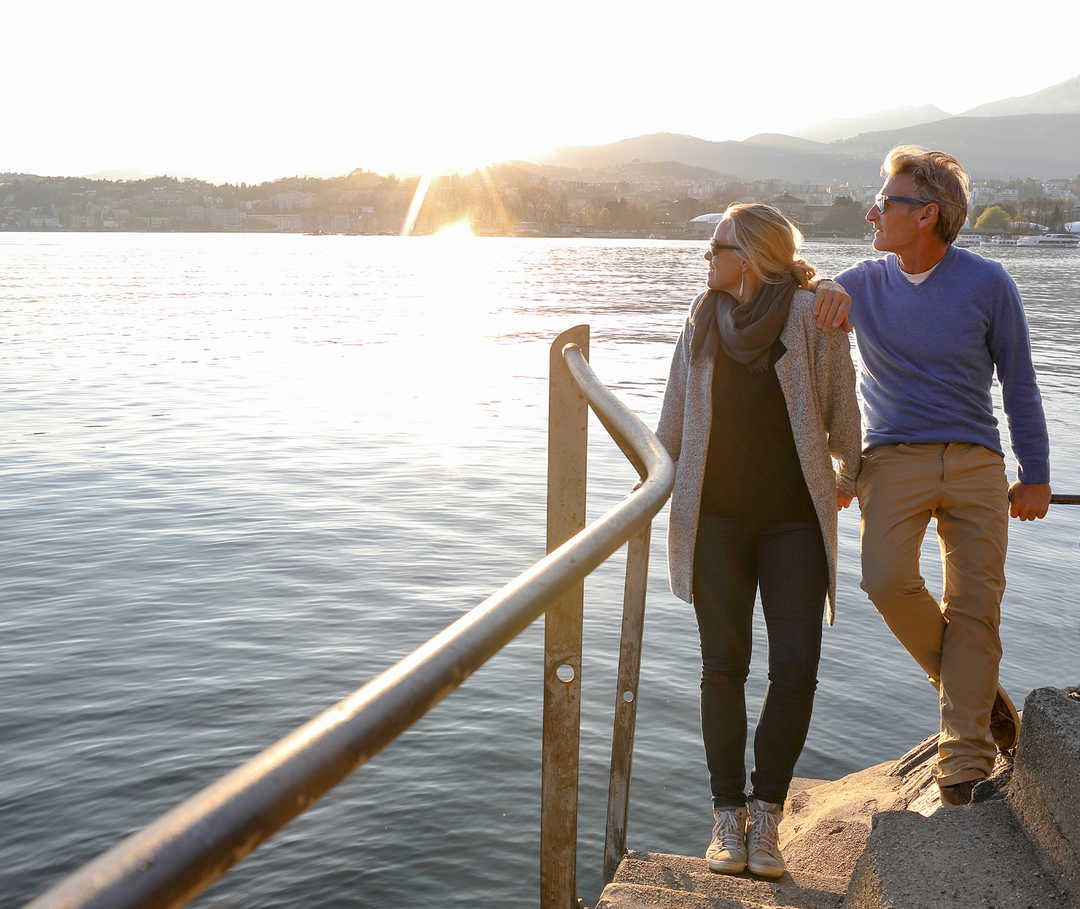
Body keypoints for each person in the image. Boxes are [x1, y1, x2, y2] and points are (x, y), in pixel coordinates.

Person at [817, 146, 1052, 806]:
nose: (871, 212)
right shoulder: (860, 282)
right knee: (885, 579)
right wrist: (821, 288)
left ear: (926, 215)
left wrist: (1035, 473)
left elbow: (1021, 385)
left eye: (885, 202)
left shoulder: (989, 283)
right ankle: (977, 697)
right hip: (891, 460)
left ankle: (963, 767)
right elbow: (804, 300)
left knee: (977, 607)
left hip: (978, 460)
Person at [656, 203, 861, 878]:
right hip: (714, 517)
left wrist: (850, 472)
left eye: (715, 248)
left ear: (749, 255)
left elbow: (841, 405)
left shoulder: (810, 313)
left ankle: (767, 812)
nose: (706, 260)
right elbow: (673, 422)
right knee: (724, 663)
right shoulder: (701, 318)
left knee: (796, 665)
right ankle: (726, 816)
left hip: (794, 520)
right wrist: (650, 485)